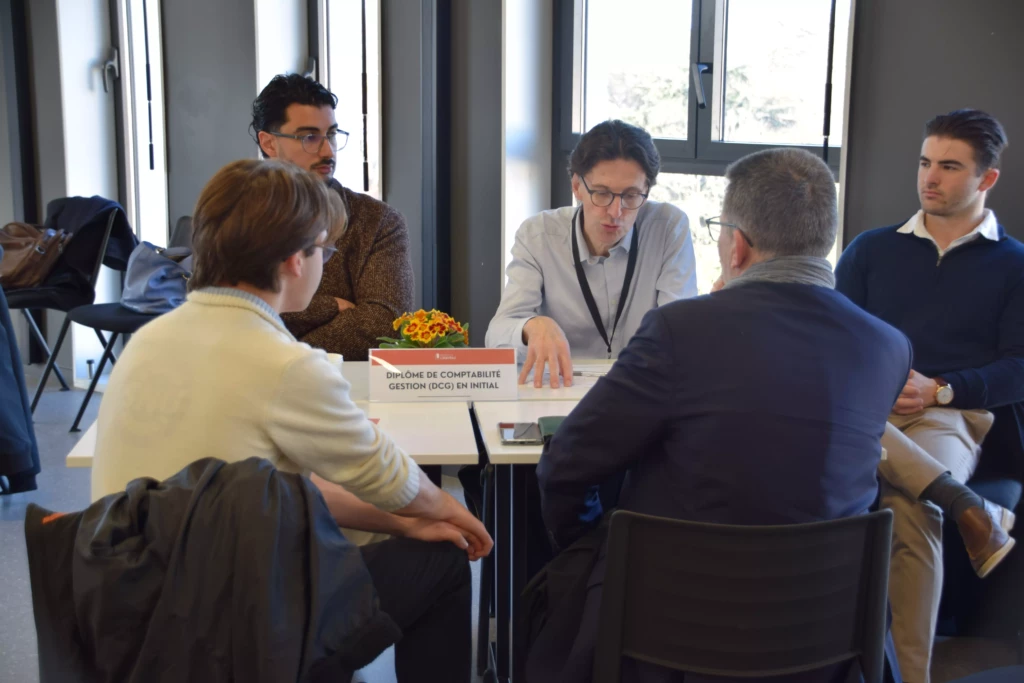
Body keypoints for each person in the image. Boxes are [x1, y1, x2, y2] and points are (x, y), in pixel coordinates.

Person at [92, 159, 492, 683]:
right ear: (294, 261)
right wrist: (451, 514)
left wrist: (401, 522)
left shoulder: (148, 341)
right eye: (324, 250)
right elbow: (391, 478)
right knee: (439, 561)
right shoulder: (282, 363)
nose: (325, 261)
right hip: (232, 630)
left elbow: (289, 490)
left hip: (132, 614)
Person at [531, 148, 911, 683]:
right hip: (825, 637)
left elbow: (567, 463)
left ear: (737, 245)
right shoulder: (888, 347)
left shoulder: (679, 330)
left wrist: (591, 540)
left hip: (666, 632)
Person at [836, 109, 1024, 683]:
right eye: (924, 162)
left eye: (949, 166)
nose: (929, 178)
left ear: (987, 178)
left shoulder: (1015, 265)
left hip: (953, 417)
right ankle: (969, 508)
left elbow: (1020, 367)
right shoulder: (870, 250)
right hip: (868, 410)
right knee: (910, 495)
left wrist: (942, 389)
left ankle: (908, 675)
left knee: (913, 506)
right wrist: (880, 382)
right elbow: (835, 336)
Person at [485, 119, 698, 388]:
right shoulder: (538, 235)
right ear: (577, 186)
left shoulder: (668, 228)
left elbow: (679, 332)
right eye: (602, 193)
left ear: (646, 191)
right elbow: (497, 334)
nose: (615, 212)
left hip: (643, 386)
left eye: (631, 196)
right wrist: (531, 326)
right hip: (560, 388)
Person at [250, 73, 413, 361]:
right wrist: (329, 307)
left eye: (332, 135)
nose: (328, 151)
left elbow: (385, 324)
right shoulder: (235, 215)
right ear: (269, 143)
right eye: (309, 137)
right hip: (243, 382)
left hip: (344, 383)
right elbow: (229, 312)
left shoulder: (377, 221)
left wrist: (283, 357)